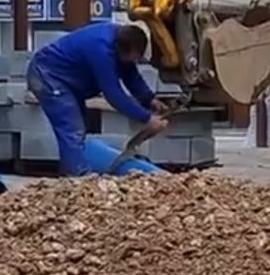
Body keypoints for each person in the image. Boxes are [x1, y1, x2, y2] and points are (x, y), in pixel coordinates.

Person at [25, 20, 168, 176]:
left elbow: (130, 74)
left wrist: (149, 99)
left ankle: (70, 174)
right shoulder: (101, 50)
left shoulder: (119, 39)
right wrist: (147, 118)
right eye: (135, 57)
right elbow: (114, 95)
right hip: (47, 76)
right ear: (125, 50)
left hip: (64, 80)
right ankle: (79, 179)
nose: (136, 61)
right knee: (72, 129)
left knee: (78, 130)